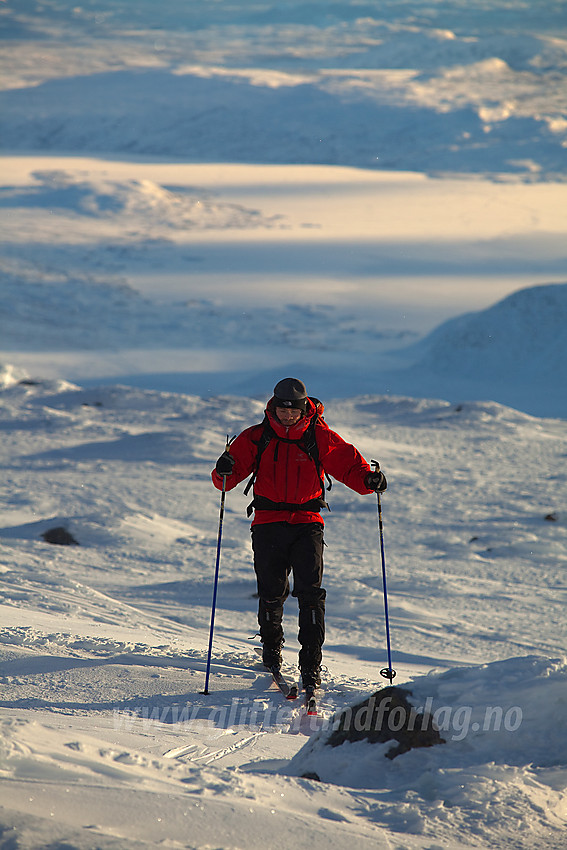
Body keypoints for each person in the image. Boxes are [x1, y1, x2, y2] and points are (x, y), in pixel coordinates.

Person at [211, 377, 387, 692]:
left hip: (307, 521)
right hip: (267, 521)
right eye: (282, 409)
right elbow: (226, 479)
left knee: (311, 594)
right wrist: (223, 468)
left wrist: (369, 480)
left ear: (304, 407)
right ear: (273, 407)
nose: (288, 415)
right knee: (272, 590)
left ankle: (311, 664)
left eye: (294, 410)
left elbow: (349, 467)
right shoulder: (256, 437)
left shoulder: (319, 436)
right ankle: (272, 646)